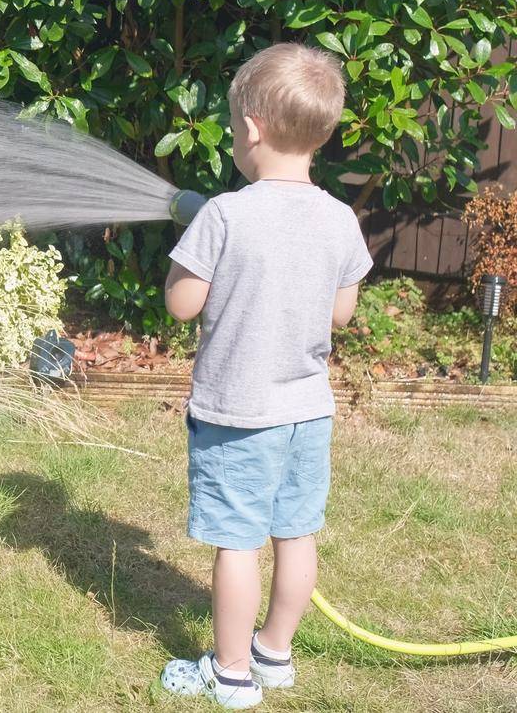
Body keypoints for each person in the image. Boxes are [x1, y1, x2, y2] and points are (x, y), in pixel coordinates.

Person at [157, 43, 373, 709]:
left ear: (250, 127)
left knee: (238, 545)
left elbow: (181, 304)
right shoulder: (340, 219)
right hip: (308, 413)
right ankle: (274, 653)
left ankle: (229, 674)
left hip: (237, 413)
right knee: (296, 535)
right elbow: (342, 313)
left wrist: (190, 250)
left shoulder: (224, 214)